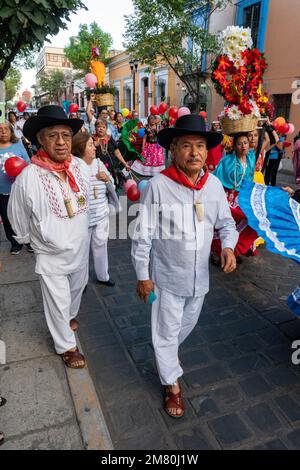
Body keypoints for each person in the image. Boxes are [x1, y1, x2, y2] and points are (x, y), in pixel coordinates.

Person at [132, 115, 238, 418]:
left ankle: (165, 355)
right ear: (174, 150)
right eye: (187, 146)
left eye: (200, 146)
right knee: (166, 332)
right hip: (165, 278)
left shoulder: (214, 185)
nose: (194, 153)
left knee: (182, 327)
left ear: (207, 151)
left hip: (199, 280)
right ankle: (172, 385)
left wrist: (228, 245)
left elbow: (226, 224)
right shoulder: (158, 186)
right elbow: (142, 236)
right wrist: (143, 277)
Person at [8, 105, 90, 369]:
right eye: (53, 135)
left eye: (66, 135)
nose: (61, 142)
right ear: (41, 139)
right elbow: (16, 213)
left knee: (76, 291)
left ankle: (68, 319)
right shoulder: (29, 176)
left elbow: (86, 200)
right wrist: (28, 239)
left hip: (80, 247)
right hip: (50, 254)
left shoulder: (79, 166)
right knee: (58, 301)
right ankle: (66, 345)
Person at [72, 132, 119, 287]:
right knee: (82, 251)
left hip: (101, 214)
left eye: (93, 145)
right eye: (90, 145)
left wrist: (107, 179)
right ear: (80, 148)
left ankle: (103, 275)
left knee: (100, 246)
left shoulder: (99, 163)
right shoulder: (74, 167)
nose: (94, 148)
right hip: (83, 218)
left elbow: (111, 183)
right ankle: (81, 280)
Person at [213, 133, 259, 260]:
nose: (243, 146)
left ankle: (238, 249)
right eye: (239, 143)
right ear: (235, 146)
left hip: (244, 196)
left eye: (245, 143)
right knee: (228, 222)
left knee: (251, 219)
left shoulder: (250, 157)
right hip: (230, 196)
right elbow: (217, 178)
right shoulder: (227, 161)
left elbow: (264, 141)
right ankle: (221, 251)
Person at [0, 121, 31, 254]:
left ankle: (29, 241)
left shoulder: (18, 144)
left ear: (11, 131)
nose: (3, 131)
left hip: (20, 189)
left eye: (6, 129)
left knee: (25, 216)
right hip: (2, 191)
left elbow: (28, 163)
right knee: (7, 218)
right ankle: (15, 243)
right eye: (0, 129)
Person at [92, 118, 130, 188]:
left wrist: (125, 163)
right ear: (95, 128)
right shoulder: (92, 139)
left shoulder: (109, 138)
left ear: (106, 129)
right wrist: (93, 144)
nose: (101, 129)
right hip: (99, 170)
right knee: (102, 189)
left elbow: (117, 152)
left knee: (113, 188)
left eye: (103, 127)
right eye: (98, 127)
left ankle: (116, 198)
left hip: (112, 168)